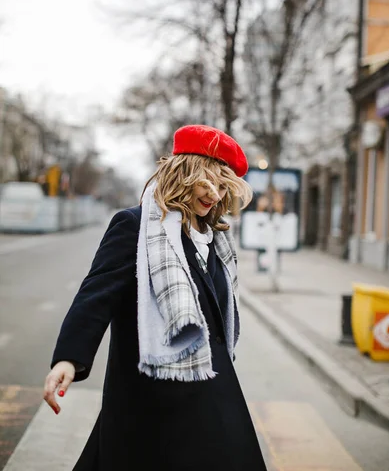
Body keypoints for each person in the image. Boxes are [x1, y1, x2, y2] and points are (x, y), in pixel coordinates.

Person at [43, 124, 268, 471]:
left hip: (207, 379)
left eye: (222, 186)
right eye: (206, 183)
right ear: (182, 174)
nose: (214, 195)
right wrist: (69, 359)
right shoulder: (133, 226)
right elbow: (96, 295)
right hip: (149, 394)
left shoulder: (215, 238)